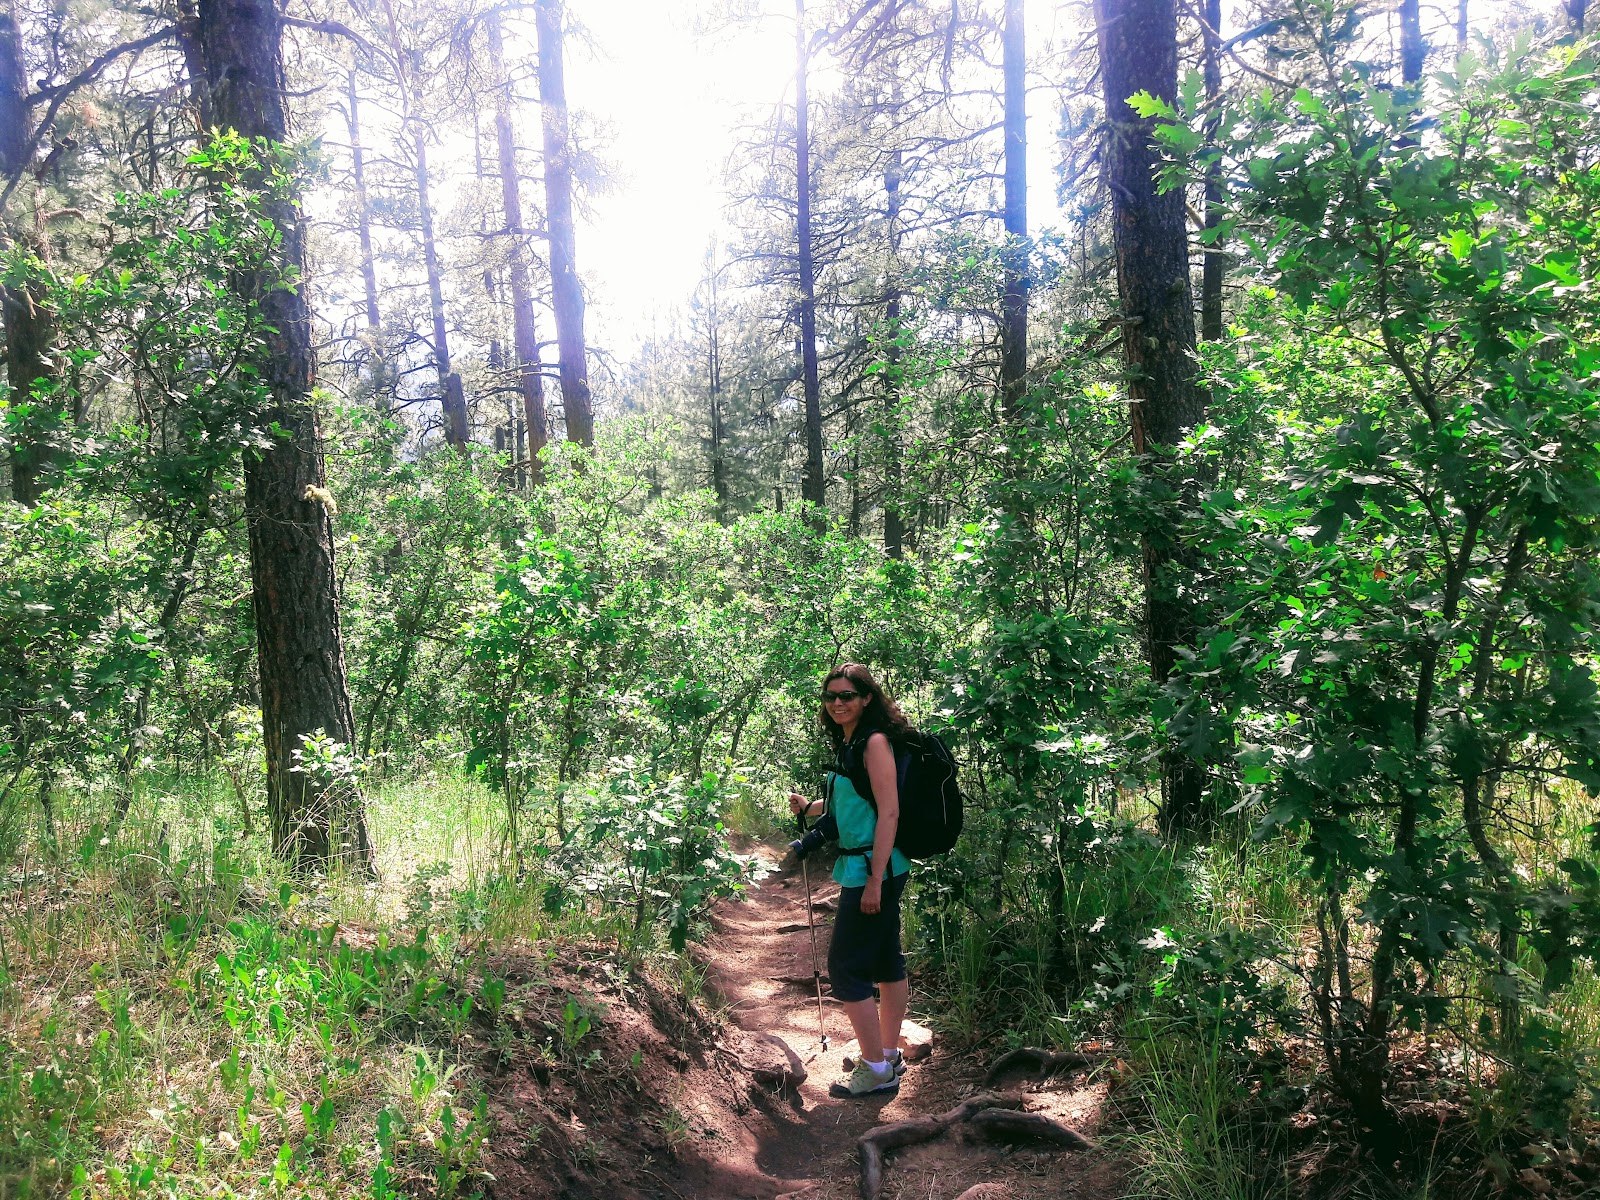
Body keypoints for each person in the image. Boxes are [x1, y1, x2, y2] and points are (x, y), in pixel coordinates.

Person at [787, 663, 911, 1098]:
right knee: (886, 962)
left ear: (866, 699)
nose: (837, 702)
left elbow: (889, 811)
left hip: (873, 869)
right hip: (870, 867)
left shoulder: (874, 742)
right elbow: (855, 802)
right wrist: (811, 808)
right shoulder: (850, 743)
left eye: (847, 695)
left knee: (844, 969)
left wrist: (875, 879)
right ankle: (889, 1054)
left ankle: (876, 1069)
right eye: (831, 696)